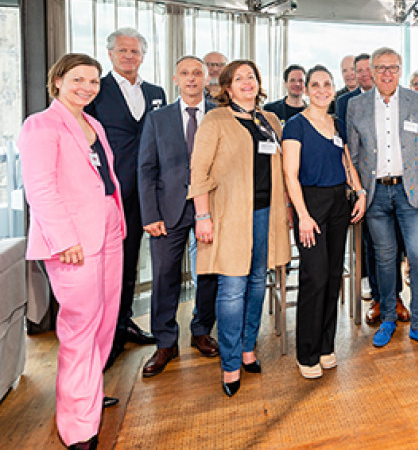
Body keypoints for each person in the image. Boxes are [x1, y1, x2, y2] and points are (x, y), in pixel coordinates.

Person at [21, 54, 126, 450]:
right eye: (78, 79)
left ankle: (88, 392)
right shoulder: (41, 125)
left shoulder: (93, 124)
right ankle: (77, 424)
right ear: (58, 81)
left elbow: (103, 177)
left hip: (108, 229)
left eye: (94, 81)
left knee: (105, 320)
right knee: (80, 325)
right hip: (72, 240)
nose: (87, 87)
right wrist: (64, 240)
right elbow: (41, 189)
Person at [188, 59, 291, 397]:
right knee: (233, 288)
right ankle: (230, 363)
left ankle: (248, 348)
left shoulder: (269, 120)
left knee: (258, 282)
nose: (247, 82)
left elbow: (282, 169)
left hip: (266, 214)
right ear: (228, 88)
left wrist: (288, 208)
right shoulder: (215, 119)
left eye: (252, 76)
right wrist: (202, 216)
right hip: (229, 216)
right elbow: (198, 172)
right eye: (239, 78)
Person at [346, 47, 418, 351]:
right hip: (374, 195)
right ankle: (388, 317)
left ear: (400, 70)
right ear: (372, 72)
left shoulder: (417, 100)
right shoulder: (356, 105)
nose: (387, 73)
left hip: (411, 194)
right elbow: (352, 156)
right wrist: (359, 192)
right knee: (385, 259)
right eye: (381, 68)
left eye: (393, 67)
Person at [86, 27, 165, 369]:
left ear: (143, 56)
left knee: (132, 258)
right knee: (108, 264)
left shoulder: (156, 92)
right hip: (110, 190)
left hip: (146, 189)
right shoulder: (96, 90)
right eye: (123, 51)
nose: (129, 56)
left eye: (135, 51)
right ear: (110, 54)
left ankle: (124, 322)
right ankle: (108, 335)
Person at [137, 56, 219, 378]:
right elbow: (146, 169)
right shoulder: (157, 119)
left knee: (208, 274)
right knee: (164, 276)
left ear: (206, 79)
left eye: (197, 73)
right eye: (185, 73)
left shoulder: (220, 115)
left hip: (210, 208)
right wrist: (150, 214)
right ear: (175, 79)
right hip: (166, 211)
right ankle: (165, 342)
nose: (191, 78)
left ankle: (201, 331)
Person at [283, 65, 367, 378]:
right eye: (315, 85)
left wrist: (360, 191)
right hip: (311, 204)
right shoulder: (296, 126)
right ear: (306, 90)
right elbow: (290, 174)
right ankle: (306, 354)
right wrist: (302, 215)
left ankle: (325, 346)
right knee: (314, 277)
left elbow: (346, 162)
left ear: (333, 89)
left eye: (327, 84)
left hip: (338, 204)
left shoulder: (337, 123)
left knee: (332, 276)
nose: (322, 90)